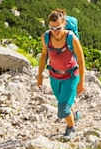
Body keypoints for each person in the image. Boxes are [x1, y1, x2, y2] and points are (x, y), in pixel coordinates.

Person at [36, 9, 86, 139]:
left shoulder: (71, 38)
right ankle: (74, 116)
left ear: (64, 24)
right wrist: (39, 75)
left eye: (58, 28)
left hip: (71, 76)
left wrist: (81, 83)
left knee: (62, 110)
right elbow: (43, 56)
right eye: (52, 28)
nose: (55, 31)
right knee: (63, 104)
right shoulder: (46, 37)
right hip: (54, 76)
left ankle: (71, 128)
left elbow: (81, 60)